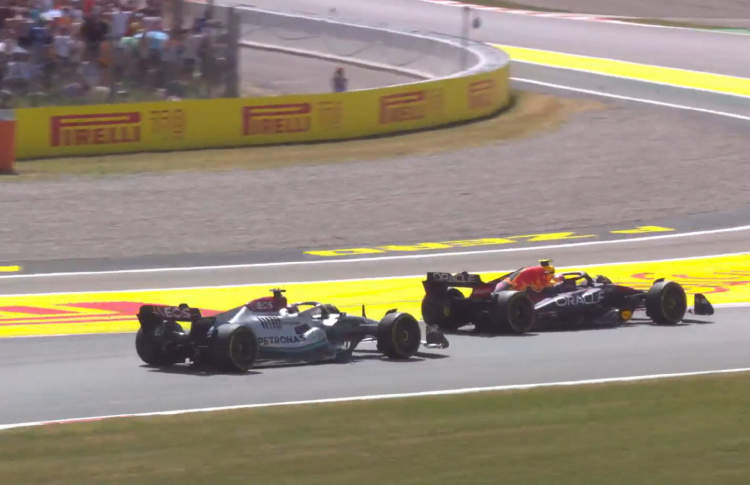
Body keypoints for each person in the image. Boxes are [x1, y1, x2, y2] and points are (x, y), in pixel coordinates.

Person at [494, 259, 560, 294]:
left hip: (505, 283)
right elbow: (539, 288)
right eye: (551, 274)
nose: (552, 276)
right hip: (510, 286)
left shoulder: (537, 270)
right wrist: (555, 283)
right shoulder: (541, 274)